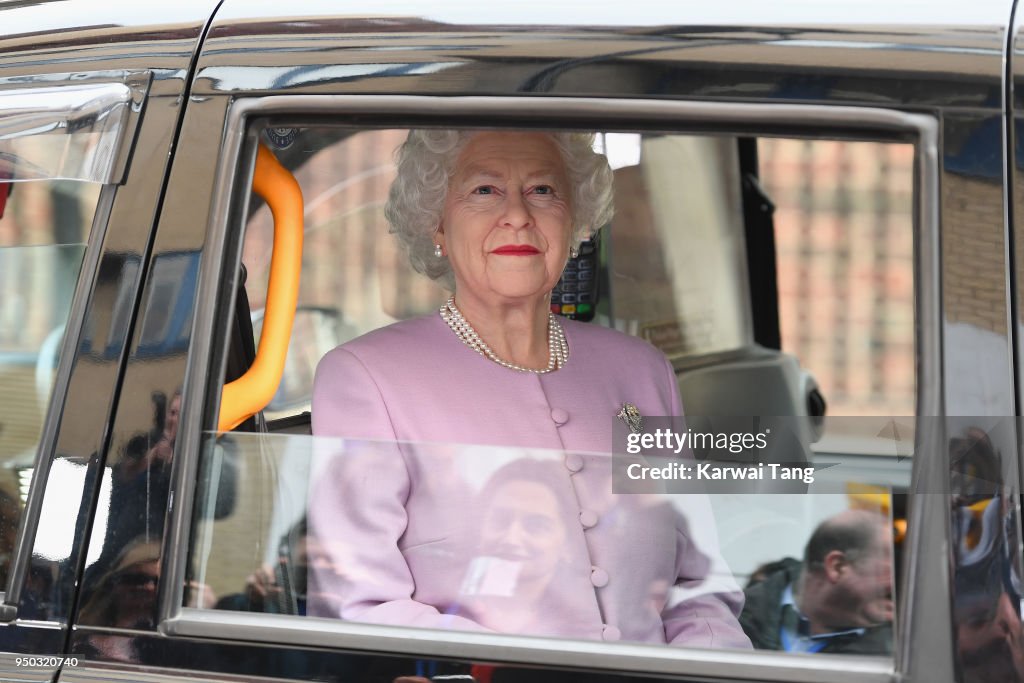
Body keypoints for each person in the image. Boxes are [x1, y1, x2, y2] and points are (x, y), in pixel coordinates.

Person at [309, 129, 749, 648]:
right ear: (438, 226)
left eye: (543, 190)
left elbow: (698, 586)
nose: (517, 213)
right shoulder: (367, 376)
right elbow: (361, 605)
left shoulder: (642, 370)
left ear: (576, 222)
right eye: (484, 191)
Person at [740, 509, 894, 654]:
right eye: (888, 593)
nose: (905, 596)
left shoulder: (896, 654)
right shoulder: (727, 616)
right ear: (838, 567)